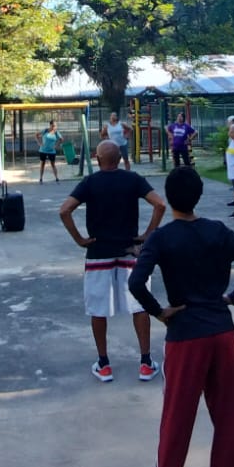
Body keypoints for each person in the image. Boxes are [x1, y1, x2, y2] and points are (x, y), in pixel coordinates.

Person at [129, 166, 234, 467]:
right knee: (228, 417)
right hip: (222, 334)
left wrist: (160, 312)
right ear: (198, 196)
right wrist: (233, 298)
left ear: (169, 196)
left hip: (185, 335)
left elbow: (136, 281)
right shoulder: (217, 230)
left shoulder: (162, 238)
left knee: (177, 420)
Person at [58, 140, 167, 382]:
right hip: (130, 251)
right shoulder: (133, 179)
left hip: (98, 254)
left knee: (99, 309)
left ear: (97, 159)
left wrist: (79, 239)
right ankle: (146, 362)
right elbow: (160, 204)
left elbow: (64, 210)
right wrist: (147, 235)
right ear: (119, 159)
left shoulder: (90, 182)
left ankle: (104, 364)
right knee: (139, 306)